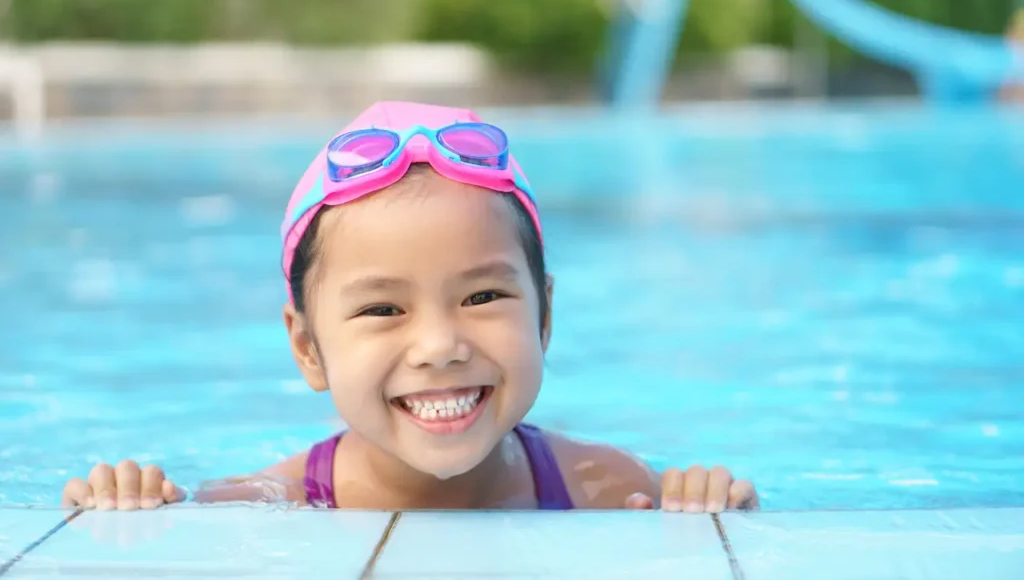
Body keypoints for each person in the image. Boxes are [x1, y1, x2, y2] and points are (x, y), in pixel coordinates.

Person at [61, 101, 759, 513]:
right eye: (383, 310)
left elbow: (712, 532)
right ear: (307, 348)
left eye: (483, 296)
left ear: (544, 316)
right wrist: (131, 505)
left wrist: (707, 506)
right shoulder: (258, 508)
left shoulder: (603, 487)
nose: (440, 345)